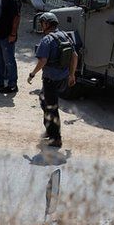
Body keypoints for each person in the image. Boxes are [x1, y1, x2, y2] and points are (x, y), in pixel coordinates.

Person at [27, 12, 79, 148]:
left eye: (42, 23)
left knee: (51, 107)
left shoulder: (47, 40)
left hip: (50, 79)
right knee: (44, 100)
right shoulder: (65, 35)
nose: (41, 25)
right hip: (62, 78)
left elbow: (42, 61)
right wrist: (72, 75)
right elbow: (75, 56)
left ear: (46, 24)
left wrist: (32, 74)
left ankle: (56, 138)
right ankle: (50, 129)